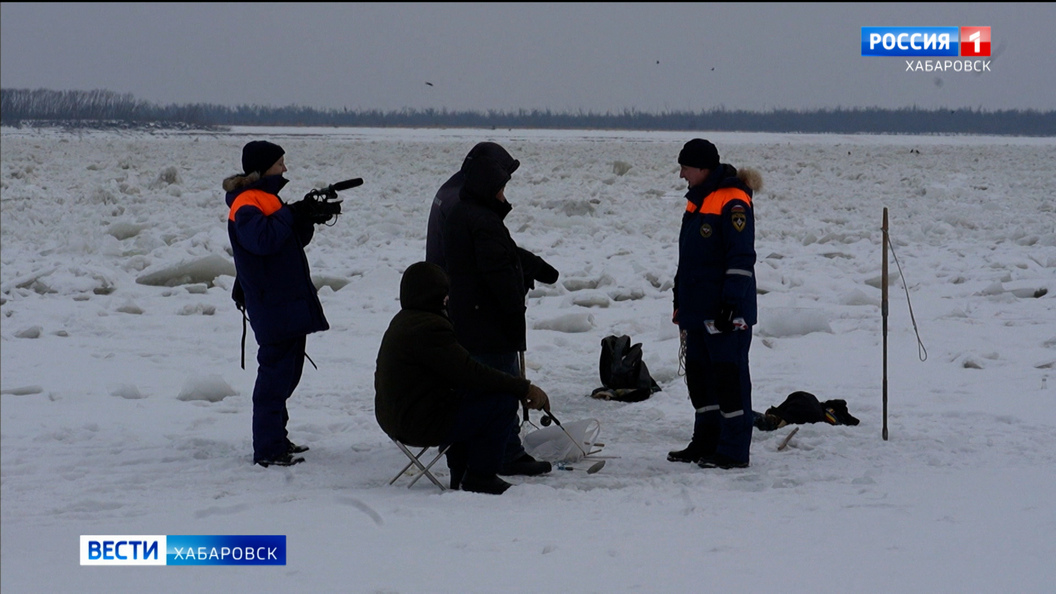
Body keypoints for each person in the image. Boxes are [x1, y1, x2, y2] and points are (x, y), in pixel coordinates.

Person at [431, 143, 558, 477]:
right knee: (501, 389)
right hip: (490, 324)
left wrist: (531, 265)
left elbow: (499, 257)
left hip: (468, 317)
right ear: (490, 190)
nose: (504, 196)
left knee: (479, 388)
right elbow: (497, 273)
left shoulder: (462, 211)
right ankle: (505, 453)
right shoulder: (484, 221)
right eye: (501, 189)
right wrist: (516, 304)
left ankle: (485, 451)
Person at [375, 261, 551, 495]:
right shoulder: (429, 328)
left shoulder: (405, 321)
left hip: (397, 417)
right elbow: (469, 372)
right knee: (502, 401)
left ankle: (461, 470)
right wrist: (523, 389)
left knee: (465, 396)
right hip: (416, 423)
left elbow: (460, 374)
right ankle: (480, 476)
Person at [224, 140, 333, 468]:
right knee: (274, 378)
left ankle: (276, 439)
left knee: (287, 375)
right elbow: (262, 240)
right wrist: (290, 212)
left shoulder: (267, 198)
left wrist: (305, 217)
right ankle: (268, 448)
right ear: (264, 167)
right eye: (280, 162)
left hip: (284, 301)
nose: (285, 168)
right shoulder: (247, 202)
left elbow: (287, 240)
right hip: (273, 303)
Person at [667, 138, 762, 469]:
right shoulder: (697, 201)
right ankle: (706, 441)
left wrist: (730, 305)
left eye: (685, 168)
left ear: (702, 168)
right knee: (700, 379)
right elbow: (690, 260)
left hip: (725, 314)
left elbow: (740, 258)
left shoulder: (734, 202)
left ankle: (734, 450)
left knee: (729, 380)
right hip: (697, 313)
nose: (681, 175)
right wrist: (680, 302)